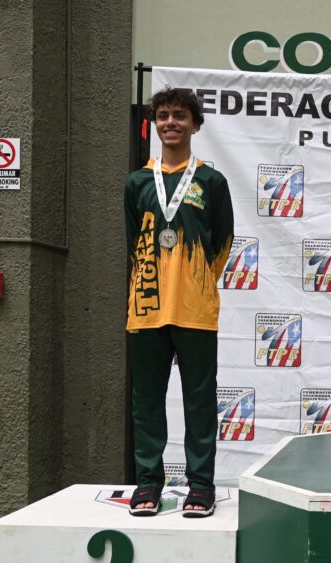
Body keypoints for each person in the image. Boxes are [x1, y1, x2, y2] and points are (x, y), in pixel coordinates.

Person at [125, 87, 234, 517]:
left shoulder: (211, 181)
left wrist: (197, 281)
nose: (171, 123)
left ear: (195, 123)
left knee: (199, 403)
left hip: (195, 310)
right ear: (154, 123)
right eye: (164, 116)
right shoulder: (137, 182)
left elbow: (222, 243)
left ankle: (201, 487)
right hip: (147, 308)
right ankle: (148, 484)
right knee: (147, 404)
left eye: (180, 116)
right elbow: (134, 242)